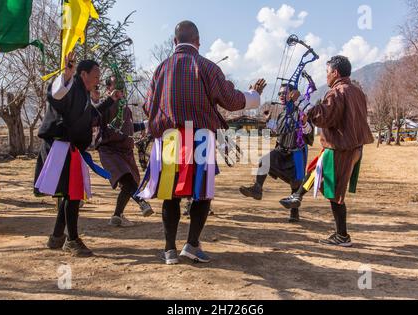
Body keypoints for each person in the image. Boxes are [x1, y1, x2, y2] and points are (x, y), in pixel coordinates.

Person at [138, 20, 266, 265]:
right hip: (199, 138)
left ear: (175, 42)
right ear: (198, 42)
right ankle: (192, 244)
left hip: (169, 140)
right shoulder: (207, 67)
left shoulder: (160, 69)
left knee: (170, 194)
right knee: (202, 194)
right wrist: (254, 96)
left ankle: (169, 251)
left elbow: (147, 106)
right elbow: (230, 99)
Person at [35, 53, 123, 257]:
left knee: (70, 193)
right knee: (72, 195)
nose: (98, 79)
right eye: (96, 74)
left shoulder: (83, 94)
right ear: (83, 74)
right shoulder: (71, 87)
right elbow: (55, 94)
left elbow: (92, 116)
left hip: (71, 149)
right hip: (60, 147)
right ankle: (72, 240)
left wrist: (111, 100)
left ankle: (57, 237)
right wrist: (66, 74)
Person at [280, 55, 374, 247]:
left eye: (327, 72)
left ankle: (342, 235)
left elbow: (322, 117)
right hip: (351, 147)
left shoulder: (337, 92)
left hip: (341, 148)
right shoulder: (356, 91)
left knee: (334, 192)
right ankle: (297, 195)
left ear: (335, 73)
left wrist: (299, 101)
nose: (326, 76)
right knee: (316, 170)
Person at [239, 83, 314, 223]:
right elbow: (278, 130)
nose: (281, 96)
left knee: (296, 183)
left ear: (292, 94)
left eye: (284, 93)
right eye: (279, 93)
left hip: (297, 152)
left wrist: (304, 123)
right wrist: (268, 121)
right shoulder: (283, 111)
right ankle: (257, 189)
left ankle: (294, 212)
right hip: (281, 150)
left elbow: (309, 132)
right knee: (264, 162)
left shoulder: (302, 109)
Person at [94, 76, 154, 228]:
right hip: (109, 150)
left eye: (122, 87)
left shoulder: (126, 108)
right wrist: (108, 101)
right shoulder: (105, 105)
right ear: (108, 88)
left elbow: (128, 128)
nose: (120, 90)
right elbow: (94, 118)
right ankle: (142, 202)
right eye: (116, 86)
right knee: (126, 178)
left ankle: (117, 215)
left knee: (130, 183)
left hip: (125, 151)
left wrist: (146, 124)